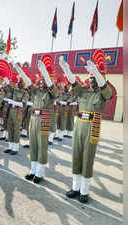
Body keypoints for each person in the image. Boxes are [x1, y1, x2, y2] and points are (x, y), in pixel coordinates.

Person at [59, 50, 113, 204]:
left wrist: (96, 71)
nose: (92, 80)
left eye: (94, 78)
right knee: (76, 157)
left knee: (87, 159)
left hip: (92, 128)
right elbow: (73, 82)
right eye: (90, 78)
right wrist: (66, 68)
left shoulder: (102, 94)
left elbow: (107, 91)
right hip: (79, 128)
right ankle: (75, 188)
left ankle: (84, 191)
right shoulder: (83, 92)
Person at [24, 59, 58, 184]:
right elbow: (28, 82)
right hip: (33, 120)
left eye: (45, 80)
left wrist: (44, 71)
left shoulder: (52, 93)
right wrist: (20, 71)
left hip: (43, 121)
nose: (42, 82)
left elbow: (51, 86)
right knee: (33, 146)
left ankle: (39, 173)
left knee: (42, 147)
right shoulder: (36, 92)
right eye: (41, 80)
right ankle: (33, 171)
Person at [4, 75, 29, 155]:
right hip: (11, 110)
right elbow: (8, 88)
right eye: (18, 83)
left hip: (18, 112)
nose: (18, 84)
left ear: (23, 84)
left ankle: (15, 148)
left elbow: (23, 104)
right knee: (10, 128)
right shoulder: (14, 90)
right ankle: (10, 146)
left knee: (16, 130)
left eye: (20, 83)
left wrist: (13, 102)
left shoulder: (25, 93)